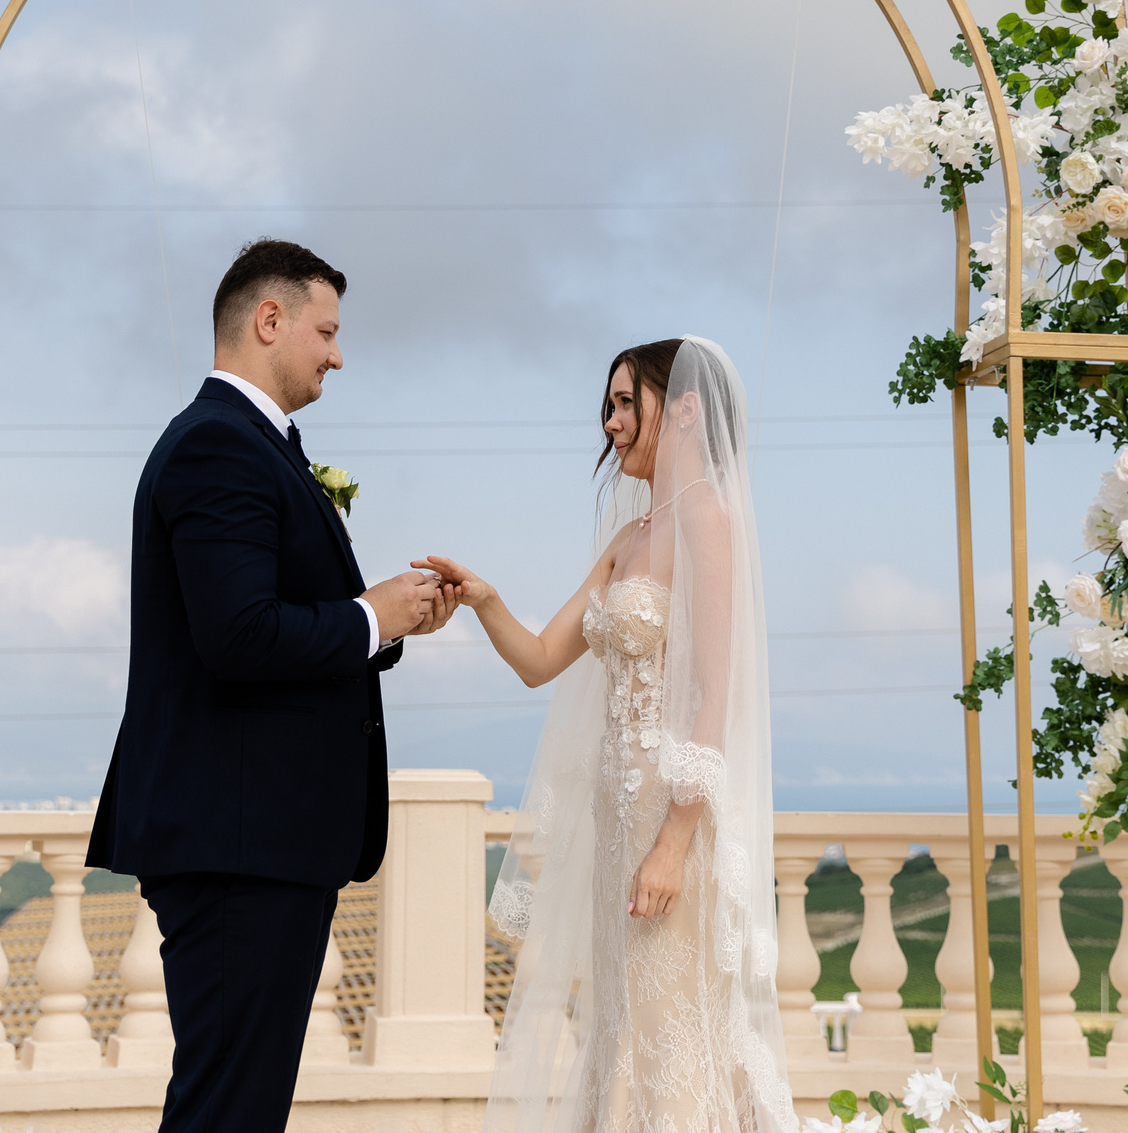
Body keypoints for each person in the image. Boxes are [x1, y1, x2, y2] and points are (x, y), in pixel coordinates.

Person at [90, 238, 456, 1133]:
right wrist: (370, 616)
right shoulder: (219, 445)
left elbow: (271, 619)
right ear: (269, 320)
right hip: (237, 844)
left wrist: (389, 622)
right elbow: (239, 635)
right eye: (326, 330)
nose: (337, 352)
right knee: (228, 1109)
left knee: (237, 1104)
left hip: (257, 842)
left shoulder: (257, 446)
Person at [425, 337, 793, 1132]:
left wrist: (674, 839)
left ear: (685, 407)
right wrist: (484, 600)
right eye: (612, 404)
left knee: (670, 1027)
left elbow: (713, 697)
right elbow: (538, 660)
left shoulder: (708, 519)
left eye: (629, 402)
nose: (612, 421)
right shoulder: (627, 541)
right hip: (614, 822)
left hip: (671, 821)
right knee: (624, 1024)